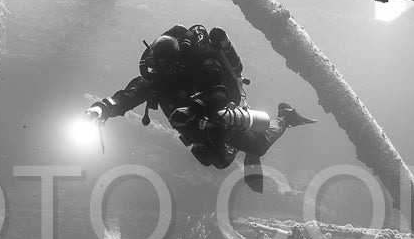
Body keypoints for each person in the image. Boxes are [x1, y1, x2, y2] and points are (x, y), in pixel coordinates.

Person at [83, 24, 315, 180]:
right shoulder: (155, 78)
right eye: (155, 64)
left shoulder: (202, 62)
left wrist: (194, 108)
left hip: (218, 119)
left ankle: (285, 116)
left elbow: (219, 93)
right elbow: (128, 95)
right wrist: (101, 109)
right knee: (217, 162)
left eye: (164, 64)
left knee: (259, 147)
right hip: (198, 130)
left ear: (176, 60)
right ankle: (236, 145)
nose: (158, 70)